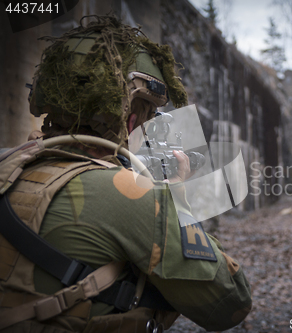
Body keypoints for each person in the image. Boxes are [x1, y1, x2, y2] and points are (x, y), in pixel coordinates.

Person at [0, 16, 252, 332]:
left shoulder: (6, 168)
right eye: (149, 112)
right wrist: (175, 203)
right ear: (129, 116)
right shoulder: (133, 194)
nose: (148, 123)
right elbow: (231, 302)